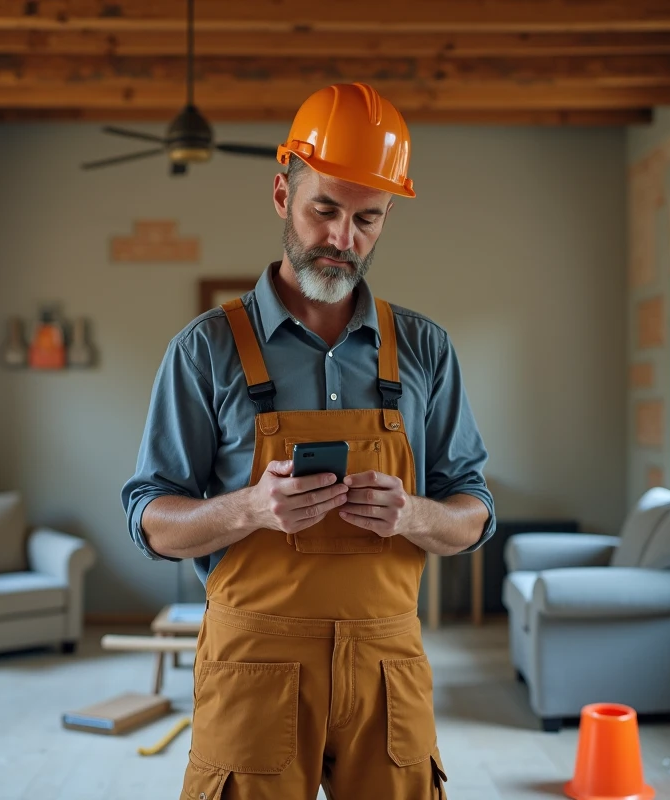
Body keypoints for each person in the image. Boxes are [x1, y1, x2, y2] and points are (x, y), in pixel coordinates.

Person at [120, 82, 495, 799]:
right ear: (281, 194)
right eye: (324, 209)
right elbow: (149, 518)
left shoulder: (424, 350)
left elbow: (474, 509)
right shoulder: (205, 351)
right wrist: (249, 510)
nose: (341, 239)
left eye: (367, 218)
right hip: (252, 665)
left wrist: (413, 514)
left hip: (388, 666)